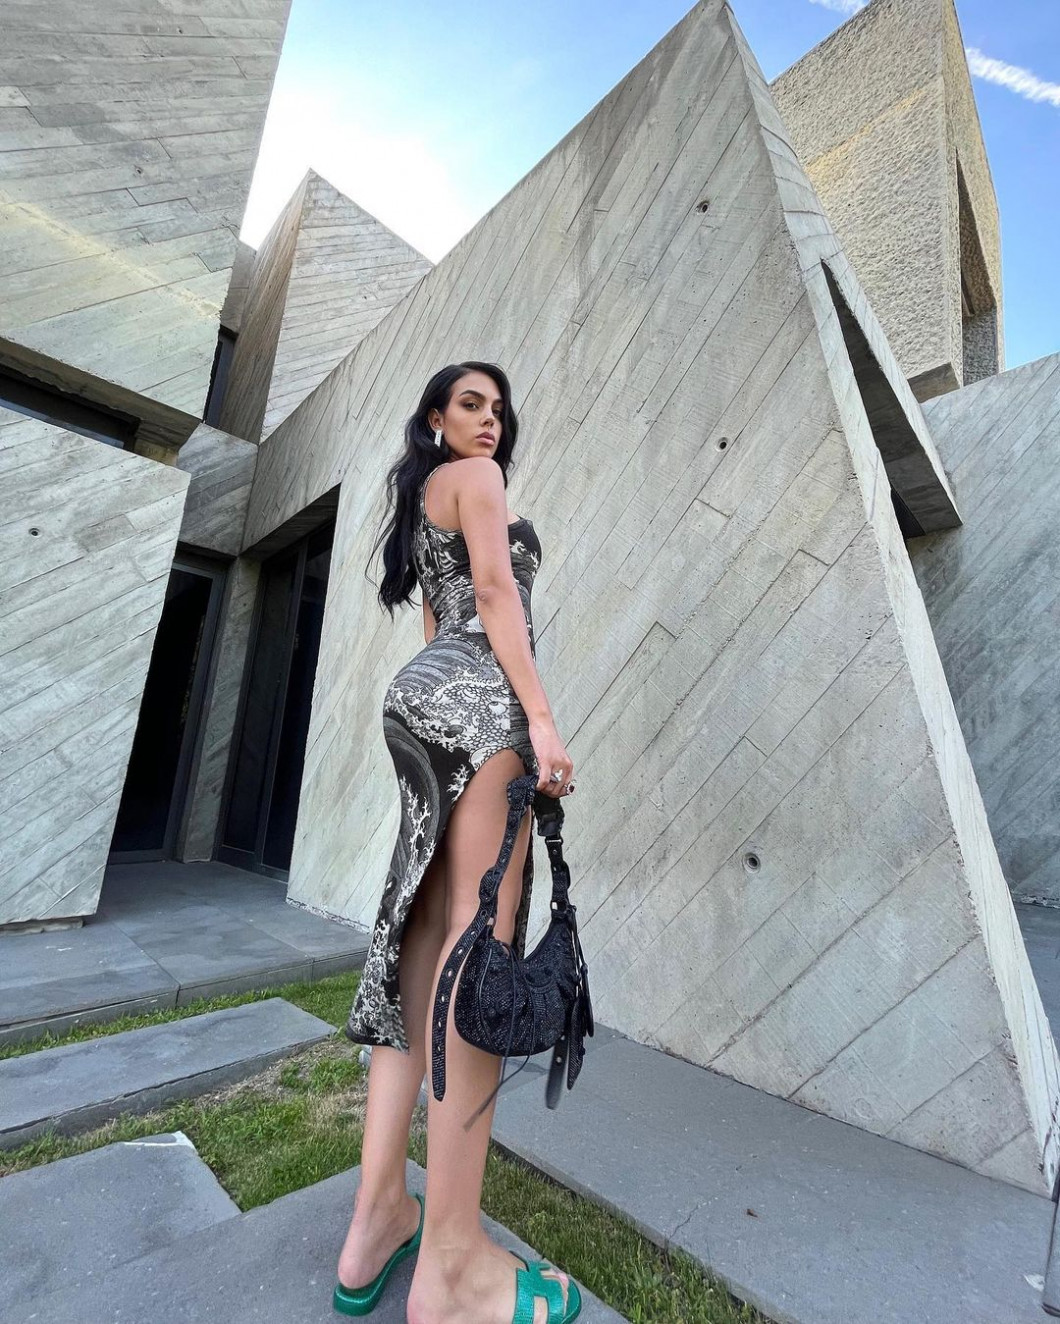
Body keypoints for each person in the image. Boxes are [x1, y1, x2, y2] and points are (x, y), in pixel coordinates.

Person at [335, 362, 582, 1324]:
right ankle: (451, 1270)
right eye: (470, 404)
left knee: (427, 942)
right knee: (482, 951)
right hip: (483, 702)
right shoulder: (478, 480)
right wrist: (542, 720)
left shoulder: (423, 500)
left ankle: (376, 1221)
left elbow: (439, 619)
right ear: (436, 417)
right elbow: (492, 591)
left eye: (498, 409)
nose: (490, 421)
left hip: (421, 698)